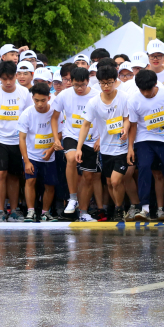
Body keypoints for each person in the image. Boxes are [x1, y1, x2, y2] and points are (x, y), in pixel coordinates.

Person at [126, 70, 164, 222]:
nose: (146, 93)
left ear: (155, 84)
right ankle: (144, 208)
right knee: (144, 167)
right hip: (144, 138)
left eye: (149, 90)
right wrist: (130, 147)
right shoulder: (133, 100)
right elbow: (132, 126)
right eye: (142, 90)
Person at [77, 62, 130, 222]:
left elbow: (127, 119)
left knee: (115, 180)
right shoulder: (94, 102)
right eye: (102, 83)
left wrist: (125, 129)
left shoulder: (124, 98)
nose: (106, 86)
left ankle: (119, 209)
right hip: (105, 149)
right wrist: (79, 148)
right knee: (108, 182)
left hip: (121, 148)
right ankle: (118, 207)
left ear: (115, 81)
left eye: (109, 82)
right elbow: (85, 125)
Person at [0, 60, 33, 222]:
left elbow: (28, 118)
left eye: (10, 78)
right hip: (0, 141)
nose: (7, 82)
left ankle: (14, 210)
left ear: (16, 76)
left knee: (14, 176)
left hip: (19, 141)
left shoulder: (25, 93)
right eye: (3, 79)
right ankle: (0, 211)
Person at [51, 66, 100, 221]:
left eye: (82, 85)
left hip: (91, 138)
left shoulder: (96, 95)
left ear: (88, 82)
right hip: (72, 134)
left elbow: (104, 118)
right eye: (76, 85)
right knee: (71, 158)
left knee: (88, 177)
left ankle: (84, 212)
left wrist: (100, 139)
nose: (79, 88)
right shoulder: (64, 95)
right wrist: (56, 138)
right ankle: (72, 197)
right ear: (70, 81)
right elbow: (54, 117)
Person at [18, 82, 59, 221]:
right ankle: (30, 211)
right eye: (36, 100)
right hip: (32, 155)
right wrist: (27, 160)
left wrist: (51, 150)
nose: (40, 104)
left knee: (50, 185)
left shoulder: (55, 112)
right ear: (32, 99)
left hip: (50, 155)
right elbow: (22, 139)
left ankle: (45, 212)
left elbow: (59, 134)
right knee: (30, 181)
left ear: (49, 97)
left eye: (43, 100)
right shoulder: (27, 114)